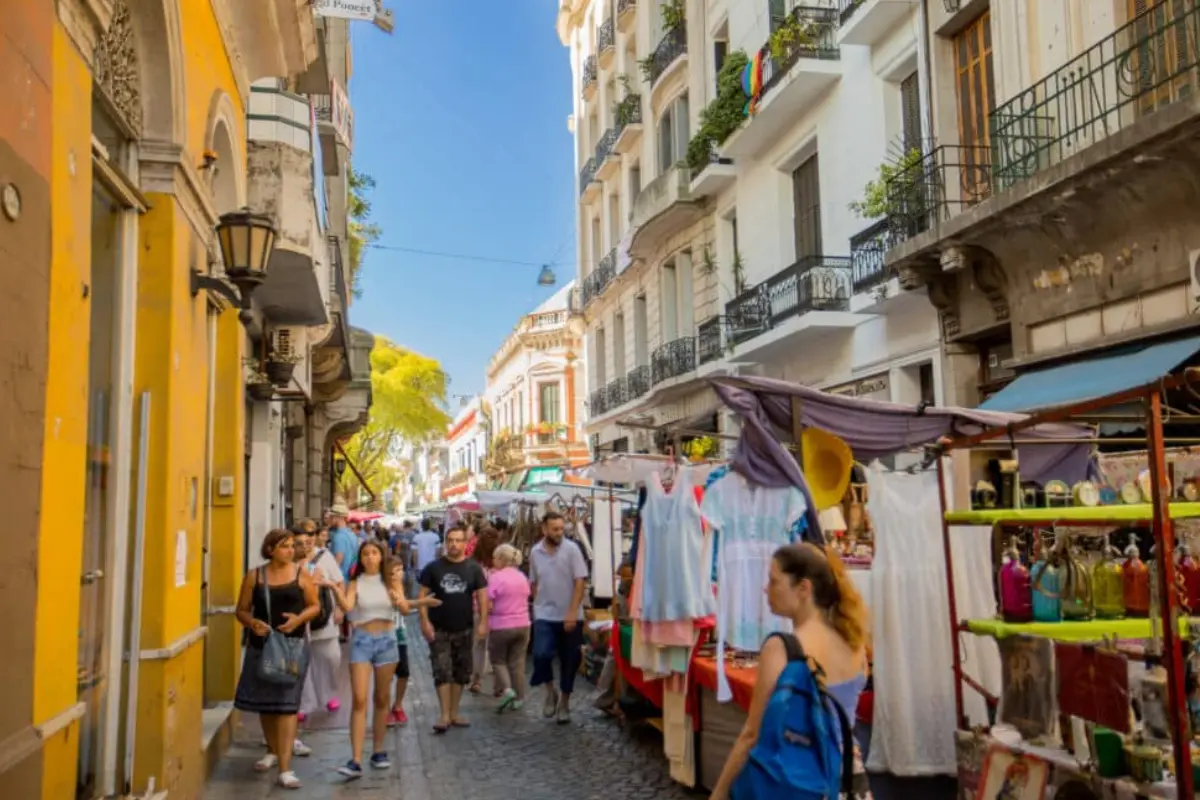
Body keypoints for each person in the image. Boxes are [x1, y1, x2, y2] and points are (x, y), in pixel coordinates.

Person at [709, 543, 871, 800]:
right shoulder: (854, 643)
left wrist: (718, 793)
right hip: (847, 777)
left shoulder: (782, 649)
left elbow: (752, 734)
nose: (766, 589)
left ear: (804, 588)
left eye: (774, 581)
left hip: (799, 776)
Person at [324, 540, 440, 779]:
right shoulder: (355, 582)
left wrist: (400, 601)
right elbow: (346, 607)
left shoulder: (391, 580)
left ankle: (378, 751)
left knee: (381, 698)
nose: (369, 557)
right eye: (365, 553)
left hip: (387, 641)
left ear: (381, 556)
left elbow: (405, 610)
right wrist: (336, 590)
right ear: (360, 558)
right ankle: (355, 760)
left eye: (374, 553)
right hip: (361, 641)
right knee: (358, 699)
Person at [233, 529, 321, 790]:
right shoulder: (255, 576)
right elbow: (241, 610)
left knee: (287, 705)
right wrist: (251, 622)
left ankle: (285, 768)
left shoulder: (300, 574)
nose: (290, 550)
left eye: (292, 546)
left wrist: (298, 619)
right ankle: (272, 749)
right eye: (284, 546)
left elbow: (315, 606)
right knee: (266, 704)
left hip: (293, 648)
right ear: (270, 549)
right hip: (261, 647)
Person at [418, 524, 489, 733]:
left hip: (464, 627)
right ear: (445, 542)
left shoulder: (473, 568)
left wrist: (483, 621)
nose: (454, 544)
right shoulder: (433, 568)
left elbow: (483, 596)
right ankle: (444, 714)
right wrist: (424, 621)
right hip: (439, 627)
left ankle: (455, 712)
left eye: (458, 540)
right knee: (441, 670)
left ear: (465, 544)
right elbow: (422, 596)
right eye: (450, 540)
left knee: (461, 671)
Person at [529, 511, 589, 724]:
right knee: (541, 654)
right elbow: (533, 581)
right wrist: (538, 603)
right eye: (555, 529)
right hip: (545, 614)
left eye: (561, 528)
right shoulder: (535, 552)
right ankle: (550, 691)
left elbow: (580, 581)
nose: (559, 533)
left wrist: (573, 611)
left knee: (570, 660)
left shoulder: (572, 549)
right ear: (544, 529)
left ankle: (564, 701)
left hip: (570, 614)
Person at [293, 522, 343, 721]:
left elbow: (339, 581)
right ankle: (304, 704)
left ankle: (328, 694)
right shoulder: (290, 558)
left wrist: (340, 608)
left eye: (311, 533)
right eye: (303, 535)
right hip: (299, 618)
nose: (308, 538)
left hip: (324, 617)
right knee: (300, 663)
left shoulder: (324, 556)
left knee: (331, 657)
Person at [487, 543, 531, 712]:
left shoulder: (496, 577)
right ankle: (519, 698)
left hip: (501, 625)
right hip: (523, 624)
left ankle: (507, 689)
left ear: (501, 559)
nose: (493, 561)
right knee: (517, 662)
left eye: (495, 558)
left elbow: (489, 603)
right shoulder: (522, 577)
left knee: (498, 660)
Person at [469, 527, 501, 694]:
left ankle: (477, 680)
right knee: (496, 647)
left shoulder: (473, 565)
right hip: (497, 610)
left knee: (479, 646)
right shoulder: (500, 566)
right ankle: (498, 684)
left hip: (477, 609)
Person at [327, 504, 358, 581]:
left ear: (338, 517)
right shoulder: (352, 534)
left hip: (340, 580)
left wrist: (329, 578)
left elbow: (338, 559)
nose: (329, 519)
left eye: (331, 516)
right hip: (350, 579)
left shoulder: (338, 536)